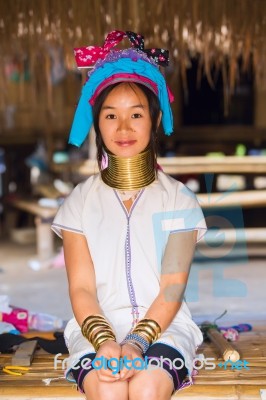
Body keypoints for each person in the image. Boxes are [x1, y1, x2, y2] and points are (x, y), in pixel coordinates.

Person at [52, 30, 207, 400]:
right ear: (97, 123)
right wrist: (106, 342)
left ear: (154, 120)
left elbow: (171, 288)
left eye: (136, 114)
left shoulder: (179, 201)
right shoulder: (79, 203)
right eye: (111, 115)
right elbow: (82, 289)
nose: (123, 128)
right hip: (94, 331)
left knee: (147, 386)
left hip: (166, 328)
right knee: (107, 389)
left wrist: (136, 344)